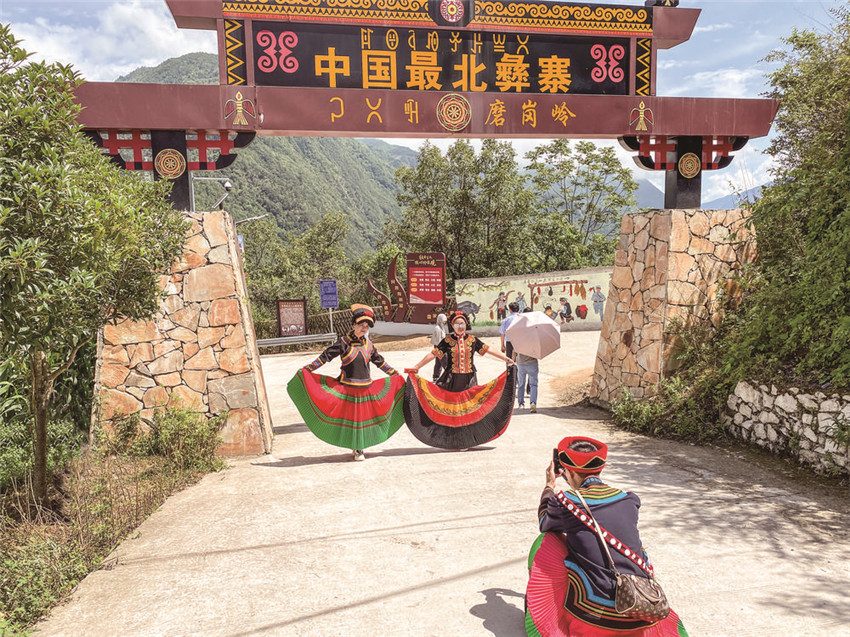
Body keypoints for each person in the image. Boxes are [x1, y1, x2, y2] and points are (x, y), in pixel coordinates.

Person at [525, 436, 688, 636]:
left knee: (547, 541)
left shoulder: (566, 502)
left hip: (594, 617)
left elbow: (545, 523)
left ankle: (551, 617)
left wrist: (549, 485)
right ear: (600, 468)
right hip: (642, 610)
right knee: (638, 548)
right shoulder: (628, 499)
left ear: (569, 472)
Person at [288, 306, 403, 461]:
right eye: (361, 325)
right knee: (352, 422)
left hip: (365, 389)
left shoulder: (369, 345)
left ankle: (359, 448)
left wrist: (394, 374)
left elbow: (380, 362)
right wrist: (309, 369)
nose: (364, 328)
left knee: (362, 421)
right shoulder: (343, 343)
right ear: (354, 324)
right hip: (348, 390)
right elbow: (326, 356)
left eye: (367, 326)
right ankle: (357, 448)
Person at [410, 310, 514, 391]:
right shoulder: (447, 341)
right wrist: (417, 366)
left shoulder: (473, 340)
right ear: (452, 326)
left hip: (469, 379)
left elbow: (488, 349)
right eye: (457, 325)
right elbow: (433, 354)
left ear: (466, 324)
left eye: (462, 324)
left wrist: (505, 358)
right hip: (451, 379)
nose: (460, 327)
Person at [430, 313, 448, 382]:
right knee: (445, 362)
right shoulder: (437, 329)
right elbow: (438, 341)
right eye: (443, 320)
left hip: (440, 346)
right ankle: (449, 376)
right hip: (439, 347)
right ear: (440, 320)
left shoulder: (441, 327)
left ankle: (435, 376)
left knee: (438, 362)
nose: (444, 322)